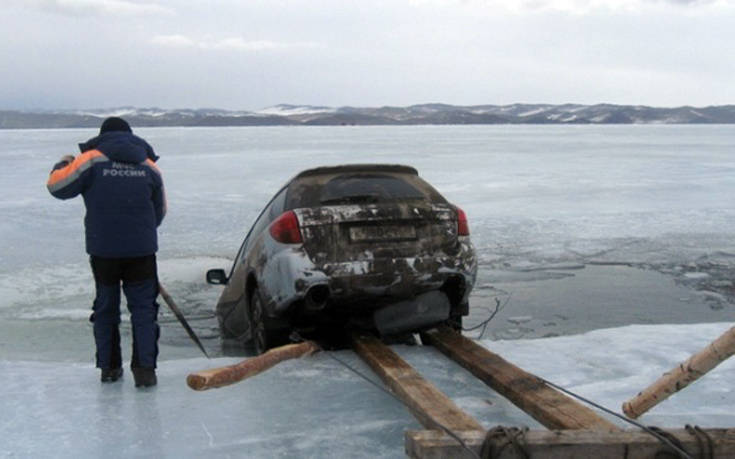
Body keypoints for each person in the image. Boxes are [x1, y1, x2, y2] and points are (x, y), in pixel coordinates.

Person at [46, 117, 166, 387]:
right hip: (141, 251)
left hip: (104, 250)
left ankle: (110, 369)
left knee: (106, 307)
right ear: (131, 136)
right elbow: (159, 211)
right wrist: (141, 233)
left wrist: (63, 164)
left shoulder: (90, 160)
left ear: (103, 135)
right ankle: (145, 371)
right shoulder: (149, 166)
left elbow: (57, 186)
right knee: (144, 310)